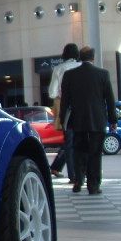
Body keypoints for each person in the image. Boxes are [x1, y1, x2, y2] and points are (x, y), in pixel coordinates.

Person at [60, 45, 118, 195]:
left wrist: (62, 119)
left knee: (78, 151)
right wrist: (113, 120)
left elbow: (64, 100)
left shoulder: (69, 75)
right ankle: (93, 186)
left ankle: (78, 181)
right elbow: (109, 100)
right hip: (97, 120)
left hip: (77, 121)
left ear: (80, 57)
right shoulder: (103, 74)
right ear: (93, 58)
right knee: (95, 153)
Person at [48, 43, 80, 182]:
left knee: (69, 141)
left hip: (66, 108)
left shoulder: (59, 69)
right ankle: (81, 173)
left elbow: (52, 92)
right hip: (83, 108)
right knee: (80, 142)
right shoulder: (81, 67)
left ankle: (72, 175)